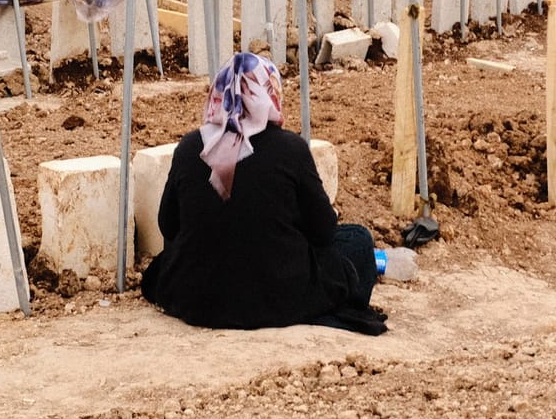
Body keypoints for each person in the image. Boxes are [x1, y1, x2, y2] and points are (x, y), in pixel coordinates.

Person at [141, 53, 385, 335]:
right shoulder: (290, 149)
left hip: (197, 298)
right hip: (280, 296)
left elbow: (168, 225)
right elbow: (324, 232)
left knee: (176, 256)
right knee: (357, 239)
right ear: (270, 93)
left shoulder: (190, 147)